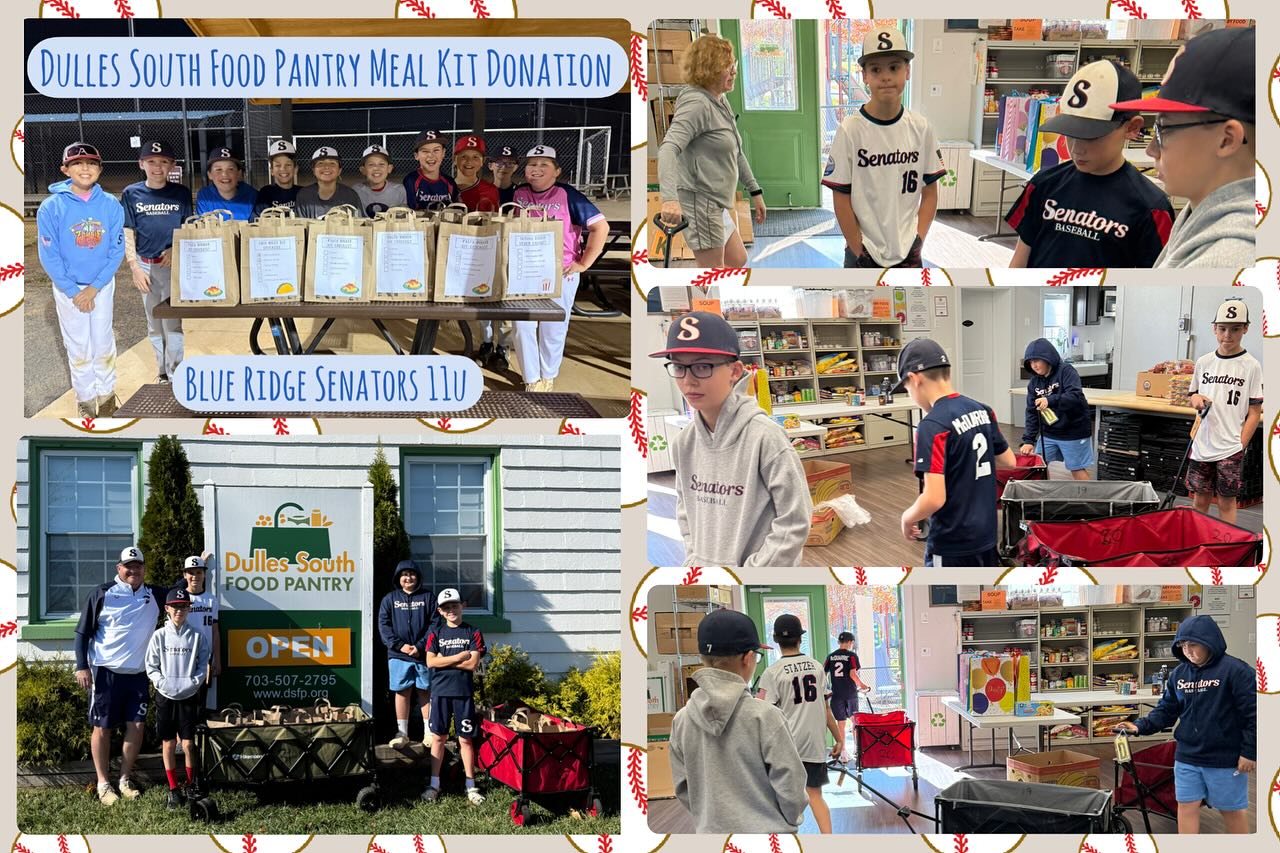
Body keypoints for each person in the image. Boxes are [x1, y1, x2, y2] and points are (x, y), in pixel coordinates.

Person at [648, 311, 810, 567]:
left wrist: (753, 572)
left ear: (735, 371)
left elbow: (795, 519)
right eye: (679, 367)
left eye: (702, 366)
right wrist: (693, 558)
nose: (688, 381)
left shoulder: (765, 437)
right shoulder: (684, 442)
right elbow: (686, 511)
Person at [1110, 26, 1256, 268]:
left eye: (1163, 130)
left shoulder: (1227, 259)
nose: (1151, 150)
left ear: (1227, 139)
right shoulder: (1204, 207)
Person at [1005, 61, 1174, 268]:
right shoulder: (1043, 184)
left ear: (1132, 127)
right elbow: (1020, 259)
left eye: (1091, 137)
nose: (1076, 148)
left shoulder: (1152, 208)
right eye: (1071, 134)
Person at [668, 608, 807, 833]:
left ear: (703, 658)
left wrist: (709, 817)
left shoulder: (681, 720)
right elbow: (791, 783)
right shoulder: (766, 716)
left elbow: (683, 788)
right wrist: (790, 820)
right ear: (748, 658)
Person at [1112, 615, 1255, 833]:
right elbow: (1166, 710)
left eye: (1193, 644)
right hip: (1187, 757)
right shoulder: (1179, 674)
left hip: (1225, 758)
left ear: (1210, 642)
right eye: (1182, 645)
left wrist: (1249, 751)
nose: (1187, 650)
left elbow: (1253, 714)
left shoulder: (1236, 671)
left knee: (1231, 810)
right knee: (1186, 805)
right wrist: (1139, 726)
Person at [823, 27, 945, 269]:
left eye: (894, 67)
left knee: (908, 308)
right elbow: (841, 197)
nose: (886, 76)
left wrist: (918, 239)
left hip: (908, 250)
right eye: (876, 69)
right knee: (858, 308)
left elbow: (930, 192)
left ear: (907, 71)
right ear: (865, 75)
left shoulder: (921, 128)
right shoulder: (850, 130)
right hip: (863, 251)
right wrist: (858, 247)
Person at [895, 338, 1016, 566]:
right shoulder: (982, 409)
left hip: (954, 541)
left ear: (914, 379)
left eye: (906, 388)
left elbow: (934, 498)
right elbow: (1008, 460)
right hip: (987, 535)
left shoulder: (932, 425)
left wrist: (907, 517)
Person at [656, 33, 766, 268]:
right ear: (709, 69)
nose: (734, 70)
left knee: (737, 260)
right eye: (727, 66)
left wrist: (755, 190)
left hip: (716, 202)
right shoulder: (698, 105)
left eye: (733, 64)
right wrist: (669, 200)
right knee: (712, 274)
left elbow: (735, 150)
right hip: (701, 202)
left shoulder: (719, 100)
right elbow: (668, 149)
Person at [36, 141, 126, 418]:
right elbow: (49, 256)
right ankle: (86, 400)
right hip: (69, 289)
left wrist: (94, 288)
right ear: (65, 169)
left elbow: (116, 250)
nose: (85, 168)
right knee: (78, 344)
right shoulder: (51, 207)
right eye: (77, 163)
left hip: (100, 285)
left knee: (102, 341)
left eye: (91, 163)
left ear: (99, 169)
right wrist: (74, 291)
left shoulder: (111, 204)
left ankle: (107, 396)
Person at [510, 146, 609, 392]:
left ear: (557, 171)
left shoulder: (567, 194)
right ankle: (531, 379)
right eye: (532, 164)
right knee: (522, 326)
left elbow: (600, 227)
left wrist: (584, 263)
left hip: (561, 271)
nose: (536, 169)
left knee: (553, 327)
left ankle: (548, 374)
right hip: (524, 272)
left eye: (544, 165)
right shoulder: (518, 193)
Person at [74, 546, 163, 805]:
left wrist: (198, 567)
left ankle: (124, 779)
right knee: (102, 728)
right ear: (119, 568)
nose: (133, 570)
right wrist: (82, 666)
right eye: (128, 566)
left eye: (138, 566)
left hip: (137, 674)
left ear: (144, 569)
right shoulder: (102, 594)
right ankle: (103, 783)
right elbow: (82, 633)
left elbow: (184, 587)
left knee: (137, 726)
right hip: (105, 672)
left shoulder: (155, 594)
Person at [755, 615, 842, 834]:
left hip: (786, 747)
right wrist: (839, 738)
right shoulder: (816, 667)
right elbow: (826, 709)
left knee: (782, 801)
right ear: (800, 639)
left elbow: (761, 712)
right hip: (813, 745)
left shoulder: (771, 673)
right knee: (815, 796)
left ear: (776, 640)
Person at [1183, 298, 1262, 527]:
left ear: (1245, 329)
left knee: (1227, 502)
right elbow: (1192, 395)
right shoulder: (1204, 362)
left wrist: (1241, 444)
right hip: (1202, 444)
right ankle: (1200, 543)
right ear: (1214, 329)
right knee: (1200, 500)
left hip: (1230, 447)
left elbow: (1254, 411)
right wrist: (1195, 399)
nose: (1228, 335)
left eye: (1235, 329)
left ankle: (1226, 546)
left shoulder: (1251, 366)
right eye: (1222, 329)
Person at [122, 139, 191, 385]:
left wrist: (176, 246)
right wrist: (134, 266)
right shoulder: (132, 193)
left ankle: (177, 372)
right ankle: (162, 371)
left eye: (164, 162)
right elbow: (128, 230)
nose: (158, 167)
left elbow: (186, 226)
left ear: (172, 165)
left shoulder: (180, 193)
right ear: (142, 164)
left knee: (173, 321)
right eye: (151, 162)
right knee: (154, 323)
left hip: (171, 265)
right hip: (146, 265)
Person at [144, 585, 210, 809]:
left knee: (189, 744)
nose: (179, 611)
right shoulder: (159, 636)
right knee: (169, 744)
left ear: (189, 609)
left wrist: (194, 683)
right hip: (165, 696)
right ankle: (174, 789)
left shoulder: (197, 636)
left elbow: (203, 664)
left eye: (183, 607)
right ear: (167, 609)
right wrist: (162, 683)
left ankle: (192, 786)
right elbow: (151, 666)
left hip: (189, 696)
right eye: (175, 607)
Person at [422, 588, 486, 805]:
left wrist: (444, 659)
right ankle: (434, 784)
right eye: (446, 607)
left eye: (454, 605)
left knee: (466, 739)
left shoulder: (473, 632)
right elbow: (431, 662)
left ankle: (471, 786)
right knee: (438, 738)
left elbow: (473, 664)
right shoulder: (436, 633)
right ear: (440, 611)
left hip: (463, 693)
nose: (451, 610)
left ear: (462, 606)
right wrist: (459, 655)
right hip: (440, 693)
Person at [1018, 338, 1094, 481]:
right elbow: (1031, 412)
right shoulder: (1034, 382)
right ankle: (1043, 495)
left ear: (1048, 358)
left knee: (1076, 468)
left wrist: (1049, 400)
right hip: (1049, 433)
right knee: (1038, 466)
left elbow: (1075, 396)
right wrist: (1028, 440)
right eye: (1030, 362)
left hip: (1074, 431)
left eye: (1037, 361)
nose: (1034, 365)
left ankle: (1093, 500)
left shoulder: (1066, 371)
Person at [377, 559, 434, 748]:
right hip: (398, 655)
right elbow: (384, 626)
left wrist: (420, 646)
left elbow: (435, 624)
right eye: (403, 575)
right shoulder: (390, 599)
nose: (408, 578)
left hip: (423, 654)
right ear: (398, 578)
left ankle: (429, 732)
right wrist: (399, 645)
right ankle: (402, 734)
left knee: (425, 690)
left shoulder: (428, 598)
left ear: (417, 577)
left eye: (411, 574)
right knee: (402, 692)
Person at [179, 555, 220, 719]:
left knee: (200, 704)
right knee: (182, 702)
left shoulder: (211, 599)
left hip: (205, 660)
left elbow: (215, 630)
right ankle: (182, 742)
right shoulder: (180, 598)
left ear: (204, 575)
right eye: (190, 572)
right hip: (183, 658)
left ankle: (195, 741)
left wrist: (217, 658)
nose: (195, 576)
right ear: (184, 575)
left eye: (199, 572)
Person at [823, 631, 870, 760]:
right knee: (855, 721)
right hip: (850, 693)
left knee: (841, 724)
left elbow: (823, 673)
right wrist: (862, 685)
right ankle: (857, 749)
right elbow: (852, 674)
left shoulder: (831, 656)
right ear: (850, 642)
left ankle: (843, 752)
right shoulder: (852, 656)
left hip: (837, 694)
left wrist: (826, 688)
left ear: (839, 642)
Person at [295, 147, 363, 219]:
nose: (326, 167)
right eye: (320, 163)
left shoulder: (350, 195)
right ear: (314, 170)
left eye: (332, 163)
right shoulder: (305, 195)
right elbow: (300, 226)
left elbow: (358, 225)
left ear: (339, 170)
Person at [403, 130, 459, 210]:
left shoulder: (449, 182)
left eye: (436, 150)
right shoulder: (411, 180)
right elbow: (409, 212)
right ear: (416, 155)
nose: (431, 155)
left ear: (443, 153)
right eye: (425, 151)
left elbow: (455, 211)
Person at [195, 148, 256, 219]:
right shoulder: (205, 196)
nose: (224, 174)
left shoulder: (252, 195)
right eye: (218, 169)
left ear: (239, 174)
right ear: (210, 174)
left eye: (230, 169)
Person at [353, 144, 407, 218]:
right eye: (371, 165)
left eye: (381, 164)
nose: (376, 168)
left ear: (389, 168)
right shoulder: (357, 190)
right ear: (363, 170)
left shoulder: (398, 190)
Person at [252, 139, 302, 218]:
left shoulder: (302, 193)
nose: (283, 169)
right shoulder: (266, 193)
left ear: (295, 169)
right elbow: (257, 220)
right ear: (272, 170)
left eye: (288, 164)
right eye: (278, 165)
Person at [454, 135, 500, 212]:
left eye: (475, 157)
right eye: (464, 156)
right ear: (455, 159)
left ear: (483, 161)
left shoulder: (490, 190)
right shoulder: (444, 186)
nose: (469, 161)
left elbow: (493, 221)